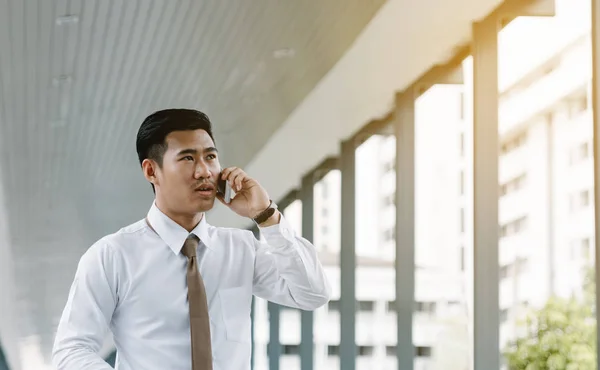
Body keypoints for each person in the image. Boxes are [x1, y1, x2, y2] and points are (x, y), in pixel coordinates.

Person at [52, 109, 331, 370]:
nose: (204, 171)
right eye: (188, 158)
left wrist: (267, 215)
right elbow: (71, 351)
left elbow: (312, 293)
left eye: (210, 157)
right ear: (151, 171)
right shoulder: (112, 255)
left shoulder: (242, 248)